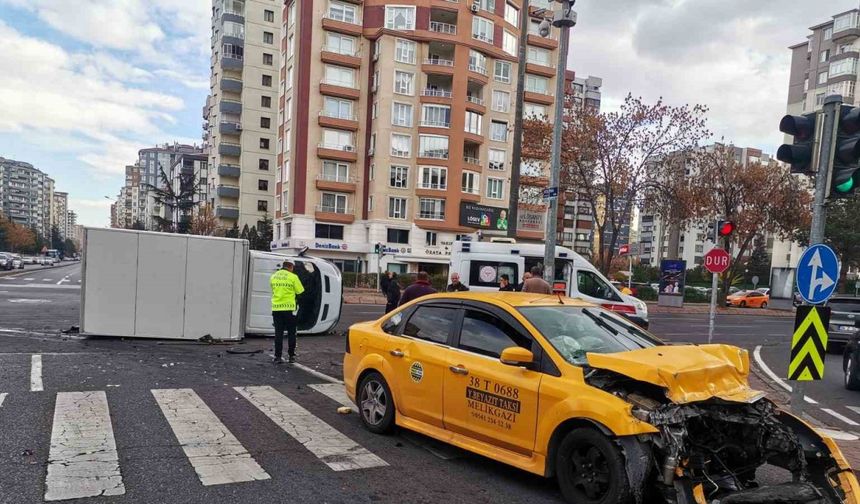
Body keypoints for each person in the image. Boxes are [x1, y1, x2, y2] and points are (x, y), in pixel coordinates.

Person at [270, 260, 305, 364]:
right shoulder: (293, 277)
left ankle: (277, 357)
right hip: (289, 309)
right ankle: (291, 356)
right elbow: (300, 291)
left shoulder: (274, 276)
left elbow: (273, 290)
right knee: (291, 333)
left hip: (276, 308)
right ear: (291, 267)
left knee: (278, 333)